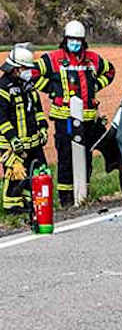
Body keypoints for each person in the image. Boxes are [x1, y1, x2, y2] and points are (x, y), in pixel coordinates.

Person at [35, 21, 115, 207]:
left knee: (85, 158)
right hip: (65, 119)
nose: (75, 43)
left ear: (83, 41)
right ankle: (66, 199)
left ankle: (83, 194)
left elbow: (110, 71)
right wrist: (51, 90)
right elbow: (33, 73)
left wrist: (97, 84)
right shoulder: (53, 59)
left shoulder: (92, 59)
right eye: (71, 40)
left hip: (87, 119)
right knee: (65, 157)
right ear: (65, 39)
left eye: (78, 40)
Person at [0, 45, 47, 212]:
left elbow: (38, 111)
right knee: (15, 174)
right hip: (12, 144)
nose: (29, 71)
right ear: (16, 69)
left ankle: (29, 202)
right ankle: (11, 207)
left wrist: (43, 128)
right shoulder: (3, 88)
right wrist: (13, 139)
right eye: (26, 68)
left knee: (38, 172)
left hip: (33, 143)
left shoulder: (28, 86)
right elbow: (2, 119)